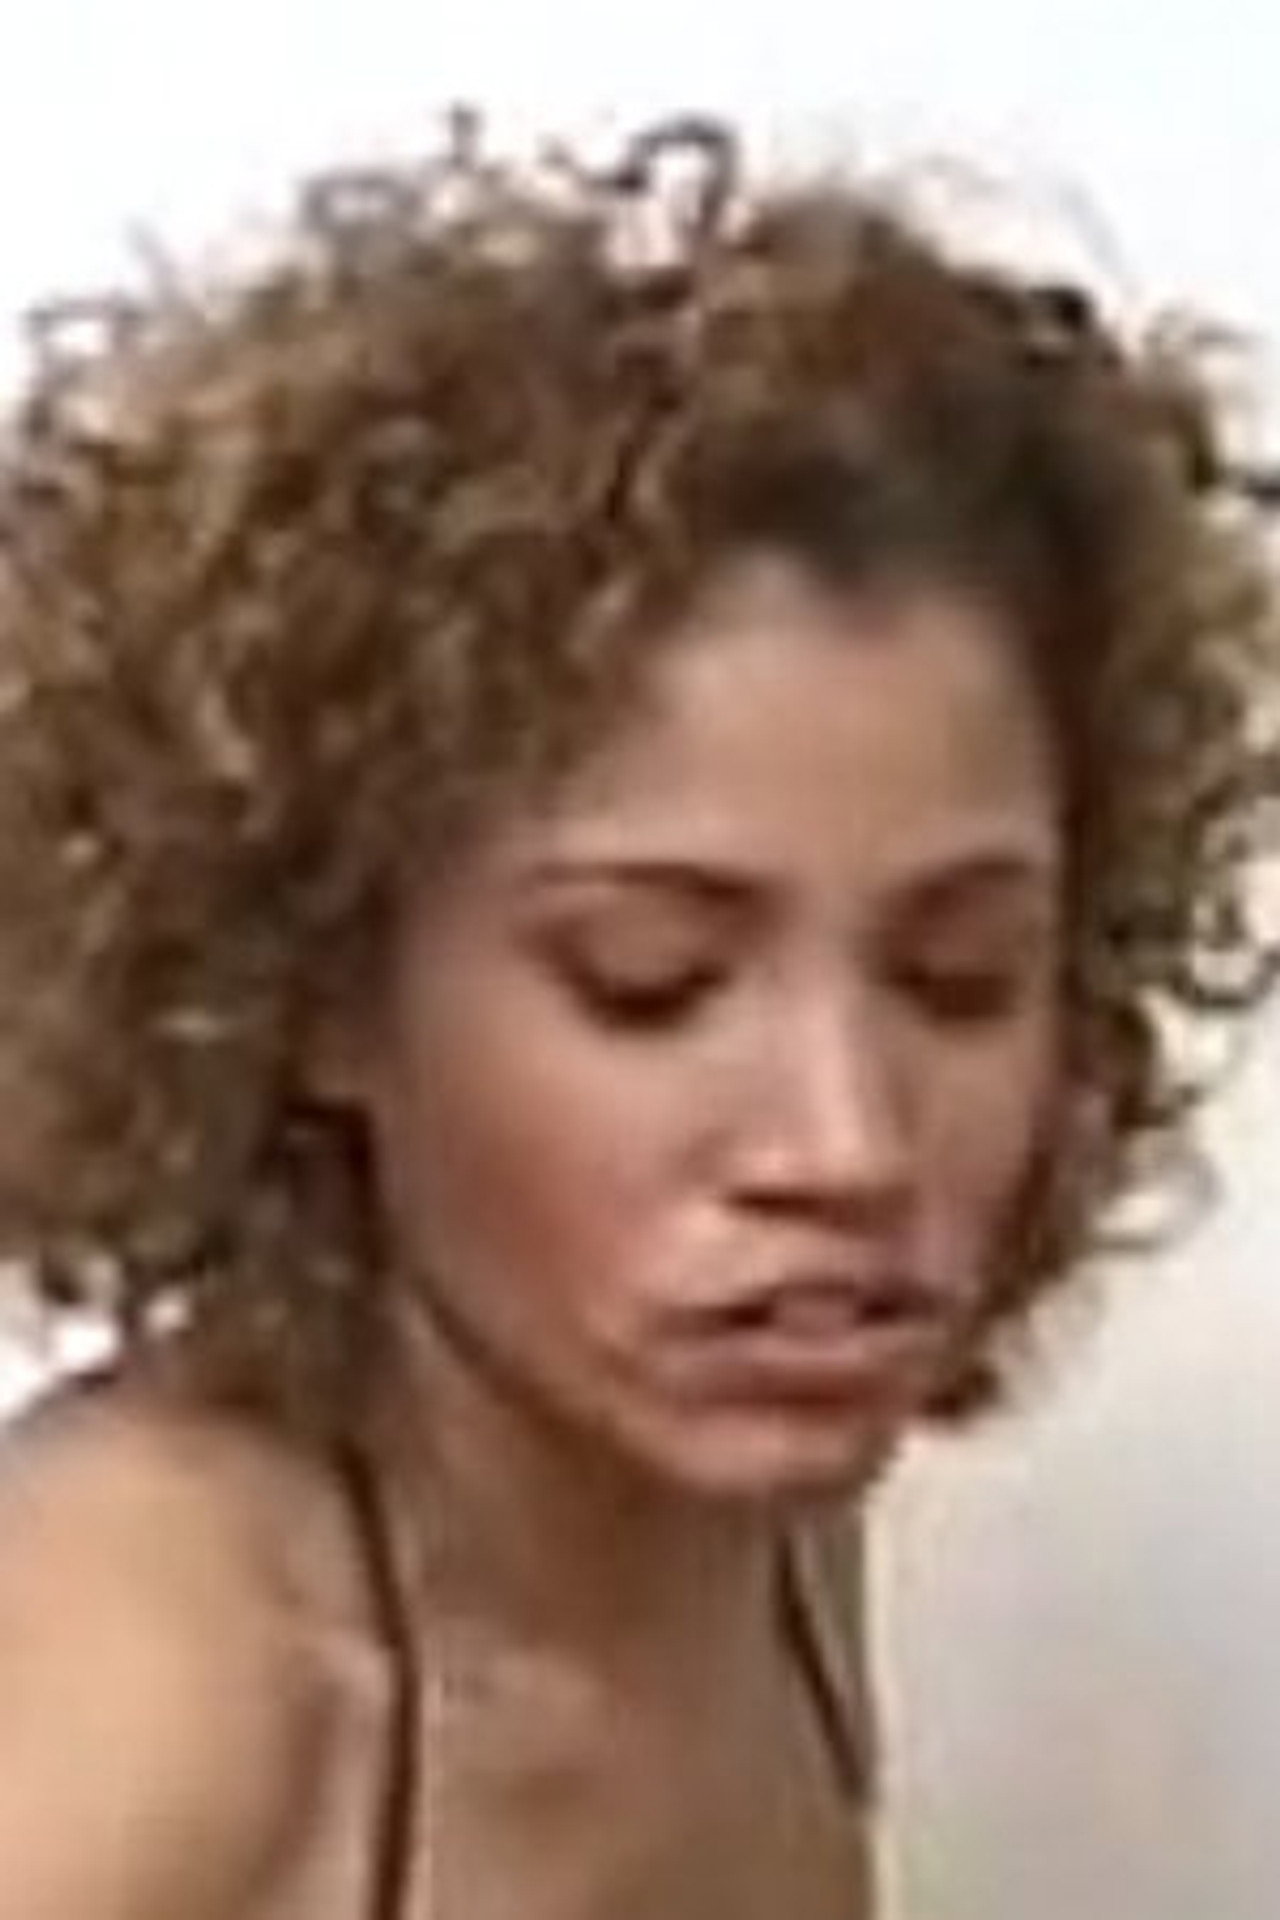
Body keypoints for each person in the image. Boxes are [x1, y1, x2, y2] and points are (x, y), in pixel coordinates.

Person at [0, 112, 1275, 1920]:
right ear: (320, 989)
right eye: (649, 979)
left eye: (962, 976)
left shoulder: (764, 1525)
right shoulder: (148, 1664)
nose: (846, 1145)